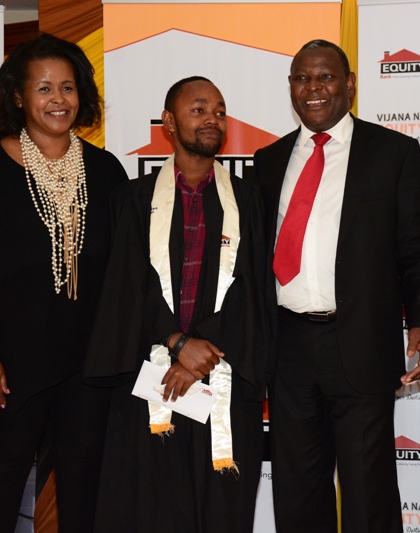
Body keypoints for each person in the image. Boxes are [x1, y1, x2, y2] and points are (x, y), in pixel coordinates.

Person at [253, 39, 420, 532]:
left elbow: (416, 249)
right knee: (296, 490)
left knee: (368, 492)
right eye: (301, 78)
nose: (313, 89)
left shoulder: (393, 152)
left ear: (350, 85)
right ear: (291, 88)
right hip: (288, 347)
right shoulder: (268, 160)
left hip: (358, 342)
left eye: (325, 77)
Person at [0, 34, 127, 532]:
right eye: (44, 88)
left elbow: (125, 272)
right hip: (8, 365)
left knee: (85, 494)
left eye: (68, 88)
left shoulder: (106, 170)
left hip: (88, 367)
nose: (58, 100)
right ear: (18, 98)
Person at [84, 76, 269, 532]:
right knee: (153, 511)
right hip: (151, 381)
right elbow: (126, 287)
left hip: (223, 375)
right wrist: (177, 341)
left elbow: (253, 290)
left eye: (220, 111)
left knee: (222, 511)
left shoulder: (248, 200)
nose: (213, 119)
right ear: (169, 122)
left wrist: (200, 354)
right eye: (199, 109)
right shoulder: (133, 198)